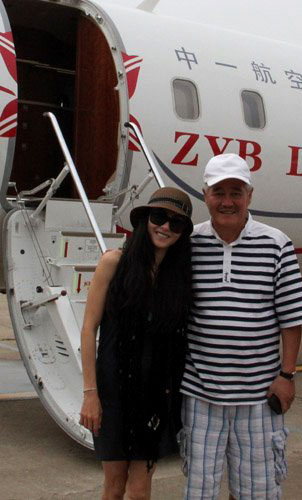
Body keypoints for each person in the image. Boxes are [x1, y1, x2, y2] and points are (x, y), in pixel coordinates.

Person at [179, 153, 302, 500]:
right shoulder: (189, 244)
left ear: (249, 196)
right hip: (200, 395)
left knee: (258, 492)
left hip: (259, 396)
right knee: (199, 492)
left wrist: (287, 376)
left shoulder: (276, 243)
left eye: (236, 192)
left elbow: (291, 318)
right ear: (205, 194)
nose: (227, 201)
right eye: (218, 192)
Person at [79, 187, 193, 500]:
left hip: (156, 394)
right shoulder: (114, 262)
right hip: (114, 391)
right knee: (114, 486)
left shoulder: (179, 277)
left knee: (140, 490)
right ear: (145, 220)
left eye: (176, 223)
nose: (165, 227)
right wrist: (90, 394)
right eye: (159, 217)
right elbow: (88, 329)